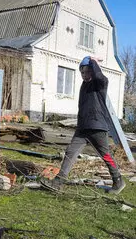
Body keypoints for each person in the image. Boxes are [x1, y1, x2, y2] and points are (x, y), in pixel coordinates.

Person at [41, 56, 125, 194]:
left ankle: (118, 180)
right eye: (82, 72)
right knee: (70, 152)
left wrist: (93, 61)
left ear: (93, 70)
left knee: (105, 155)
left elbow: (99, 76)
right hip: (82, 128)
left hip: (97, 127)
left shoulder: (101, 83)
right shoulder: (84, 86)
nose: (84, 75)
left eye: (87, 72)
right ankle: (58, 182)